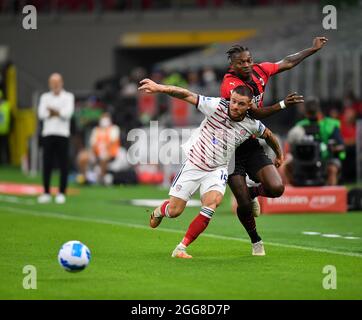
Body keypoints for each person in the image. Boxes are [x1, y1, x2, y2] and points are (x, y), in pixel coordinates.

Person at [138, 78, 284, 259]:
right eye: (234, 101)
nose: (235, 106)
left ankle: (181, 248)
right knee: (175, 211)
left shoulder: (251, 124)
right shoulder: (216, 106)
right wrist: (159, 87)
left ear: (249, 106)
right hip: (194, 164)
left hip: (217, 170)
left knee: (212, 203)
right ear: (230, 98)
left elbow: (269, 135)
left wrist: (279, 154)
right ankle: (160, 211)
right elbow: (186, 94)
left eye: (241, 104)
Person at [220, 37, 327, 253]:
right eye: (241, 62)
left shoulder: (260, 70)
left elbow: (287, 62)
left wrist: (312, 49)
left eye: (249, 60)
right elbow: (255, 113)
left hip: (249, 143)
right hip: (230, 147)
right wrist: (282, 104)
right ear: (233, 65)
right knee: (242, 203)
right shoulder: (231, 85)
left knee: (277, 188)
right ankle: (256, 240)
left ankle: (252, 192)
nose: (247, 65)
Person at [280, 98, 345, 186]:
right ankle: (294, 196)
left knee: (332, 169)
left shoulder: (331, 125)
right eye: (310, 113)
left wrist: (329, 148)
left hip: (326, 159)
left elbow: (341, 146)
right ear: (306, 113)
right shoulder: (300, 126)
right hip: (302, 159)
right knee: (286, 167)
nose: (312, 116)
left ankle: (331, 196)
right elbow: (290, 144)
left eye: (313, 113)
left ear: (319, 111)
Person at [37, 73, 74, 204]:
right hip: (48, 133)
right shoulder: (45, 97)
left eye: (57, 82)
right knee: (47, 164)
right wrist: (58, 112)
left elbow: (67, 114)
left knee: (63, 164)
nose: (55, 84)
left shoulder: (68, 96)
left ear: (62, 82)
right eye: (53, 82)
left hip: (62, 134)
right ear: (49, 83)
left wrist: (53, 111)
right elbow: (41, 114)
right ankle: (46, 192)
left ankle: (61, 192)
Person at [77, 112, 121, 184]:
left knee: (103, 156)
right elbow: (92, 144)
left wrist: (103, 148)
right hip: (96, 153)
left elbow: (112, 142)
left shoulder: (114, 129)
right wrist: (92, 153)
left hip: (111, 154)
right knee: (82, 156)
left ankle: (101, 179)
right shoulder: (96, 130)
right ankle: (84, 178)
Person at [0, 89, 11, 164]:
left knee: (4, 147)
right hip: (4, 130)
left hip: (4, 130)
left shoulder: (7, 105)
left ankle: (5, 161)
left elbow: (11, 117)